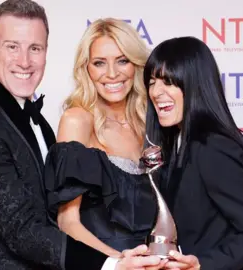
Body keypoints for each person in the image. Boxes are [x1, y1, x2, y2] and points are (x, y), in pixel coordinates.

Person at [0, 1, 163, 269]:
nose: (24, 61)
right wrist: (112, 265)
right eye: (12, 47)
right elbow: (23, 229)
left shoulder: (37, 122)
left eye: (34, 48)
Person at [143, 36, 243, 269]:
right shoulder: (179, 144)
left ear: (195, 85)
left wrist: (202, 265)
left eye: (168, 81)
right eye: (151, 82)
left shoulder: (213, 146)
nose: (156, 92)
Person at [42, 17, 164, 261]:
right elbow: (68, 222)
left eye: (122, 61)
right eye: (99, 63)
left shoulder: (153, 122)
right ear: (86, 68)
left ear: (137, 64)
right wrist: (120, 264)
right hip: (107, 263)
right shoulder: (78, 121)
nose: (112, 74)